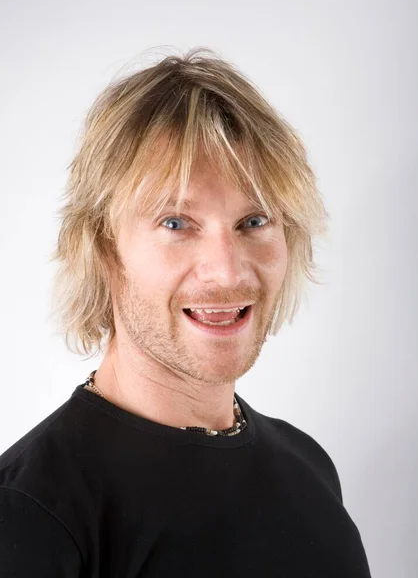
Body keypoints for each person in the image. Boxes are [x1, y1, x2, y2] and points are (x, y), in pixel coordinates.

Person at [0, 47, 372, 577]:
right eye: (176, 223)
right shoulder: (30, 516)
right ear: (104, 249)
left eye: (255, 220)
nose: (226, 273)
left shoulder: (308, 463)